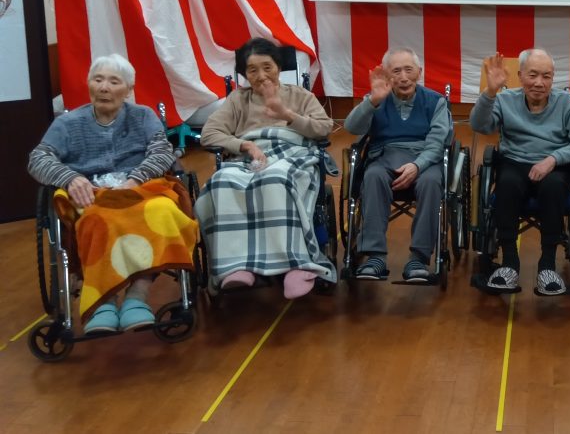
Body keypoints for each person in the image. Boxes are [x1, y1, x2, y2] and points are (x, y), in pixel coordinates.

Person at [28, 54, 197, 334]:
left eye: (114, 81)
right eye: (98, 80)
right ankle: (103, 302)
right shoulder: (68, 123)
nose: (104, 87)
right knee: (95, 220)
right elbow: (38, 158)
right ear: (89, 84)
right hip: (92, 192)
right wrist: (70, 178)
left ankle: (137, 295)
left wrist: (134, 180)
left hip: (139, 187)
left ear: (128, 90)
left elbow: (161, 152)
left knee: (162, 211)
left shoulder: (143, 116)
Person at [197, 38, 336, 299]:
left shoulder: (299, 95)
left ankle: (295, 264)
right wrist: (244, 145)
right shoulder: (238, 100)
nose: (261, 76)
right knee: (222, 181)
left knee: (276, 178)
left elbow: (323, 128)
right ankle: (237, 266)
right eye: (252, 70)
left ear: (278, 67)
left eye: (267, 67)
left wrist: (288, 115)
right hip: (250, 156)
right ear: (244, 75)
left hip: (292, 153)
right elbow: (209, 134)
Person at [470, 49, 570, 295]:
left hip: (553, 165)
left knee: (553, 187)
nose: (539, 83)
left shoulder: (566, 103)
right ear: (520, 76)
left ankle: (547, 265)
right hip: (515, 161)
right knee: (506, 184)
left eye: (546, 76)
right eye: (533, 75)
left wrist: (553, 159)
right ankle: (509, 263)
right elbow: (479, 125)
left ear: (553, 78)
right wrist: (490, 92)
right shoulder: (505, 100)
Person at [342, 47, 450, 282]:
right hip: (384, 156)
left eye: (409, 70)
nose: (403, 77)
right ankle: (375, 257)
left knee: (432, 183)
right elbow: (351, 128)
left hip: (424, 159)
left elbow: (437, 143)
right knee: (372, 176)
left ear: (419, 72)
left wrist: (417, 166)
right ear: (386, 75)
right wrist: (373, 101)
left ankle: (418, 258)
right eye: (396, 71)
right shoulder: (376, 98)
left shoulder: (436, 101)